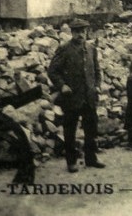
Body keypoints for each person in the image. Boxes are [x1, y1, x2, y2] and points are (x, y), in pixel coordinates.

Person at [47, 18, 106, 172]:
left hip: (89, 97)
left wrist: (97, 86)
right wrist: (62, 85)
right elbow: (52, 71)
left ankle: (91, 159)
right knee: (70, 131)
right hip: (72, 98)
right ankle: (71, 162)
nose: (81, 34)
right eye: (77, 31)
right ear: (72, 33)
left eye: (83, 31)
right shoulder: (64, 49)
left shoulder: (91, 48)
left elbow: (97, 71)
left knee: (91, 130)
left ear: (86, 32)